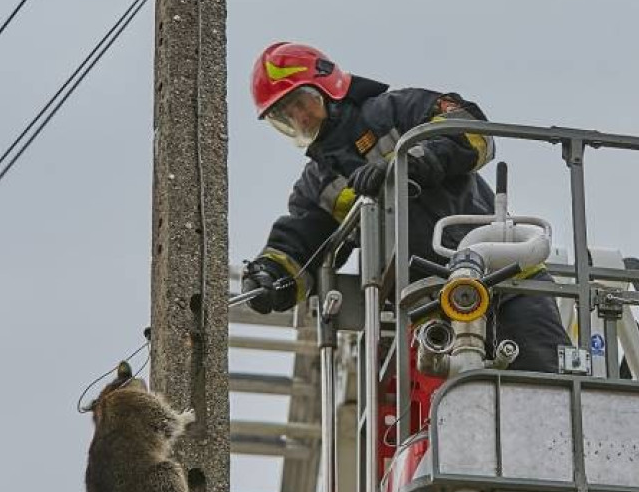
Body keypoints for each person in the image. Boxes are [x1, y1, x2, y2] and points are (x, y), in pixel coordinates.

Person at [240, 42, 570, 373]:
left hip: (505, 280)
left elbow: (473, 132)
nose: (300, 116)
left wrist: (406, 163)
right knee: (463, 419)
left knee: (548, 392)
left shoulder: (397, 111)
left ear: (327, 88)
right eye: (286, 115)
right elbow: (299, 246)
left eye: (300, 102)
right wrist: (270, 277)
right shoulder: (318, 185)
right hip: (434, 321)